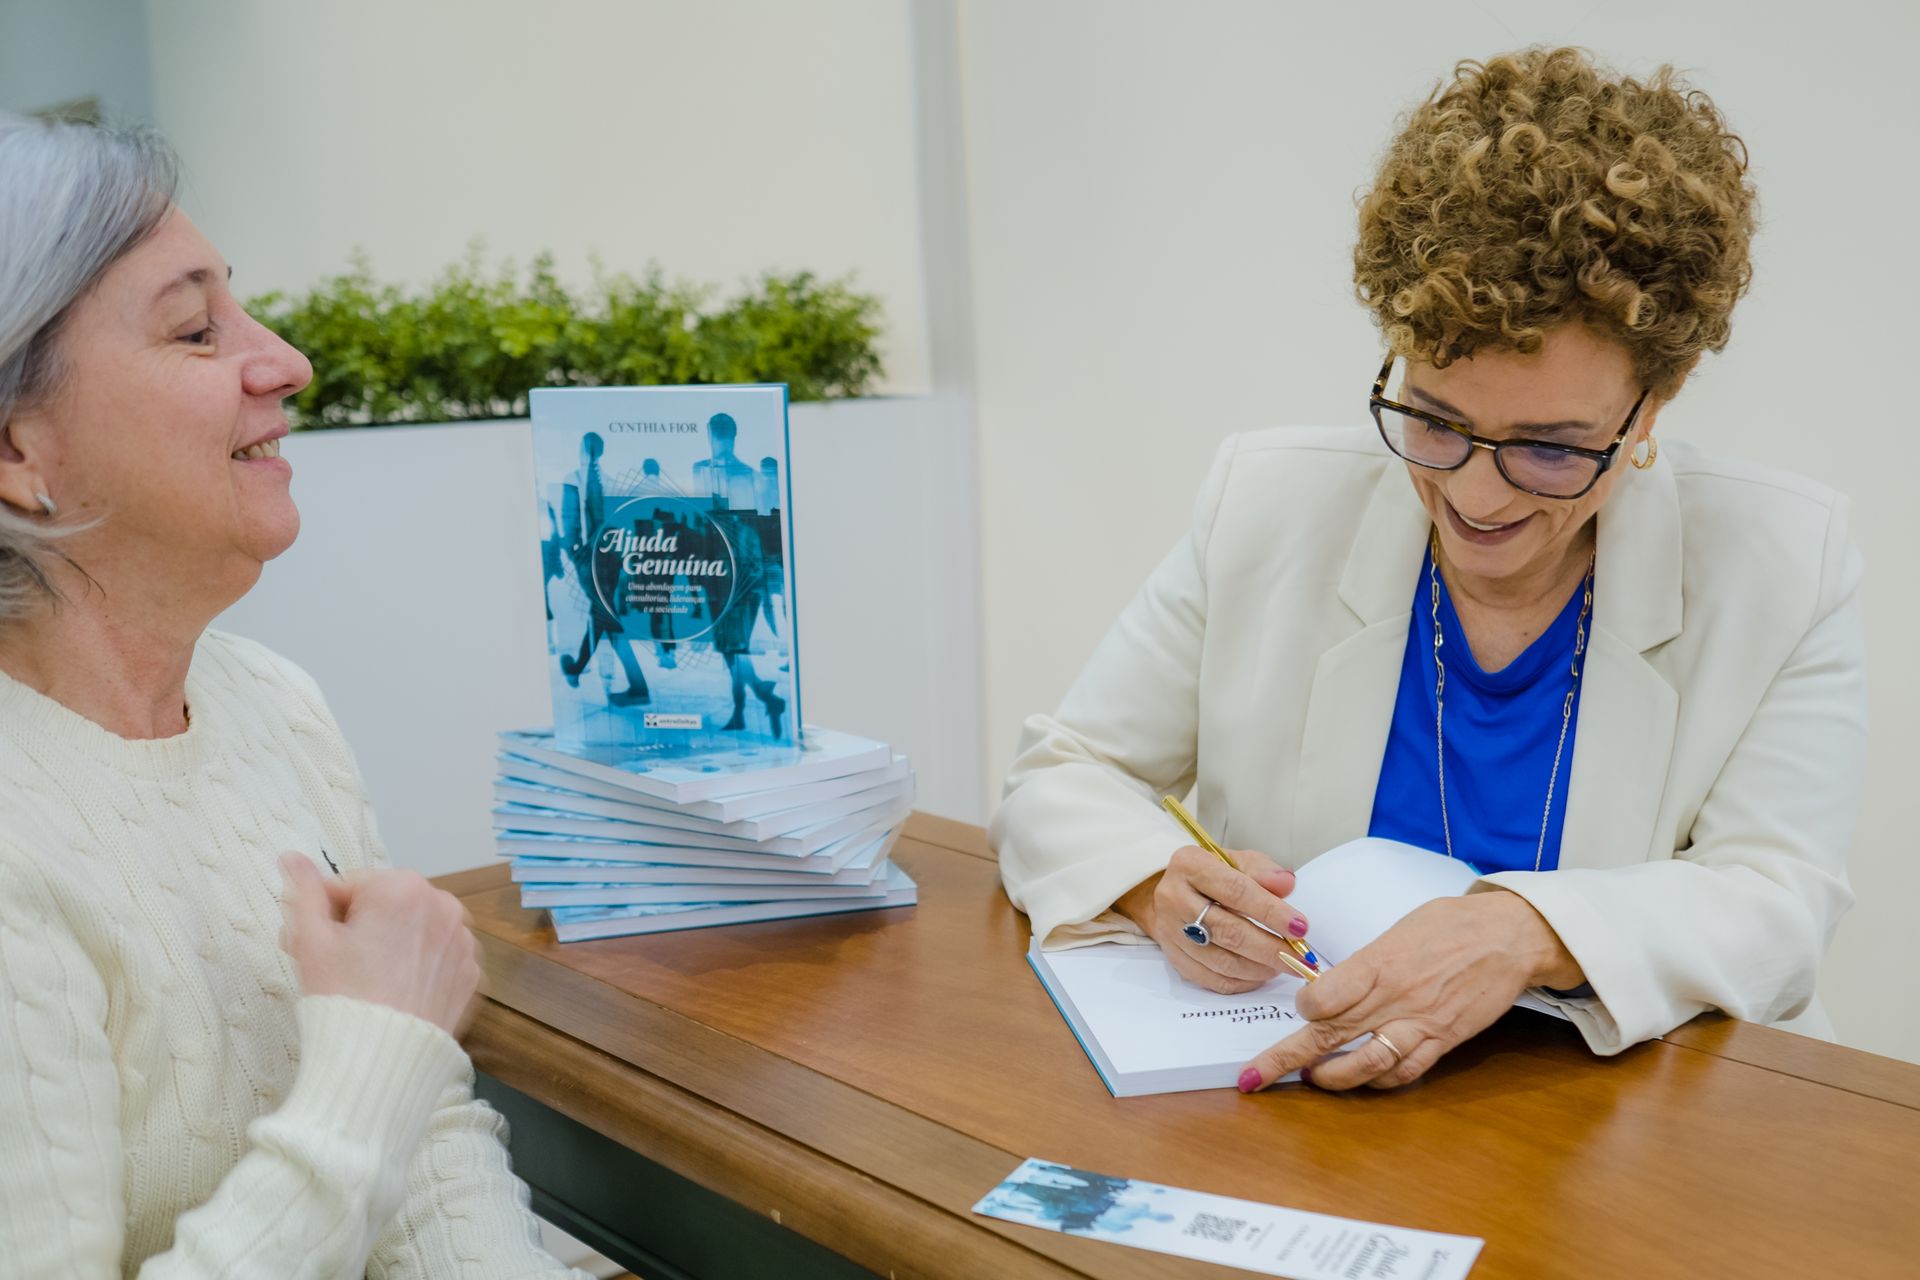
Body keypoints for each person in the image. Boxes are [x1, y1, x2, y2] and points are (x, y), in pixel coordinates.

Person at [991, 48, 1866, 1094]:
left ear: (1653, 409)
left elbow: (1777, 900)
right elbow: (1066, 774)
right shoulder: (1268, 505)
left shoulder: (1782, 562)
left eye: (1550, 447)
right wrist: (1152, 884)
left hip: (1626, 1144)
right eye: (1435, 422)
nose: (1478, 497)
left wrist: (1523, 932)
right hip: (1307, 1127)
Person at [0, 115, 589, 1275]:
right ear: (20, 454)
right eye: (194, 328)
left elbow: (426, 1136)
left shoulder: (273, 703)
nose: (284, 361)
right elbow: (382, 1079)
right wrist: (375, 1050)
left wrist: (393, 1060)